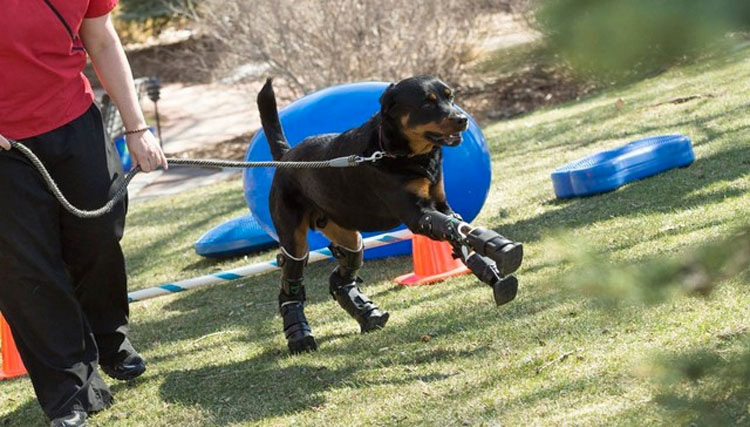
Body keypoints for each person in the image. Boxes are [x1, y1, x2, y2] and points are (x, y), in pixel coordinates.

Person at [0, 1, 167, 426]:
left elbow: (102, 39)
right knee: (27, 271)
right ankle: (69, 392)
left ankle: (109, 338)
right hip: (4, 147)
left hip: (72, 119)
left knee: (99, 233)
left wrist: (136, 127)